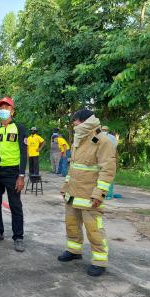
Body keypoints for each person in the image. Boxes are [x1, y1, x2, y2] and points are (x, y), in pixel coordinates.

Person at [58, 109, 116, 277]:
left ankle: (100, 261)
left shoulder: (102, 141)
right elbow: (74, 166)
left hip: (90, 195)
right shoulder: (80, 139)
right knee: (71, 224)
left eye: (76, 122)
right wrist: (65, 186)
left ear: (85, 122)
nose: (74, 126)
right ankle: (74, 250)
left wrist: (100, 193)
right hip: (73, 192)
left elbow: (107, 170)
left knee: (94, 229)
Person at [0, 97, 27, 252]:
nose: (3, 110)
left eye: (7, 107)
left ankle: (18, 237)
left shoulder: (19, 127)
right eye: (1, 107)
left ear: (12, 110)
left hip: (13, 172)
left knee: (15, 205)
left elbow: (24, 153)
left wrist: (21, 175)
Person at [101, 126, 118, 199]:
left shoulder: (96, 136)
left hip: (100, 159)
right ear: (108, 130)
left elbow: (91, 145)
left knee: (99, 177)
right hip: (110, 158)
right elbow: (115, 147)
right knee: (109, 177)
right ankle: (108, 195)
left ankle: (100, 195)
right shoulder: (113, 138)